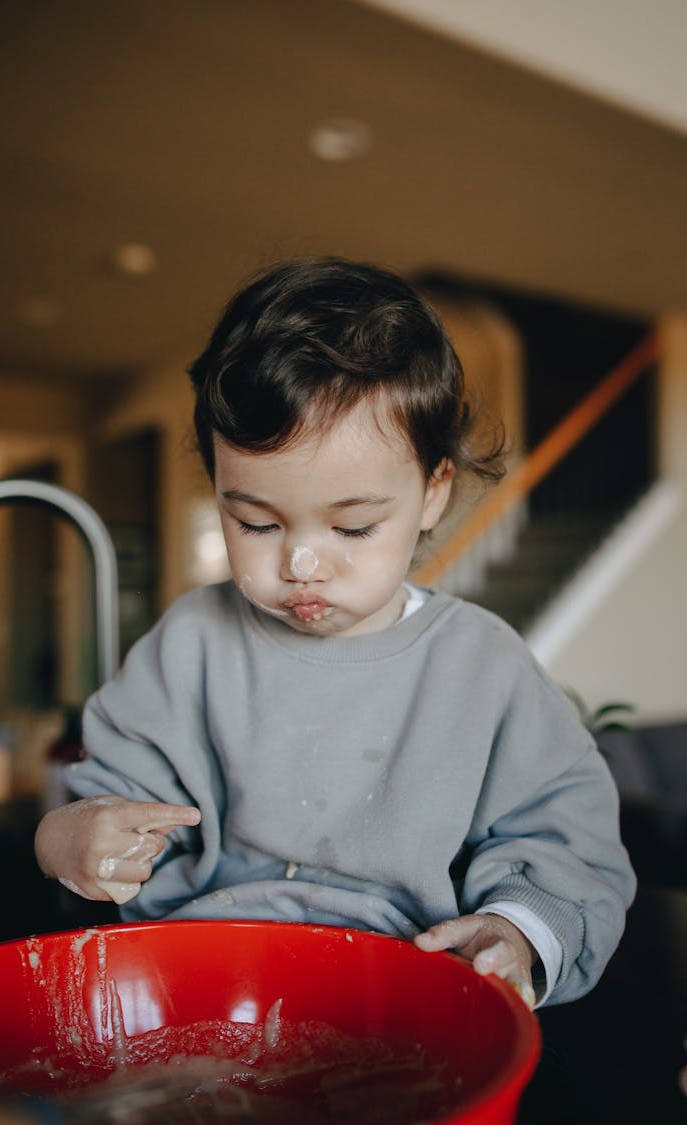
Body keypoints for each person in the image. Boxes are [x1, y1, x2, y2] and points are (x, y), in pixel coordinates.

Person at [35, 257, 635, 1009]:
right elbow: (112, 797)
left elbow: (564, 847)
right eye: (255, 521)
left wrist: (512, 931)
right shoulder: (192, 642)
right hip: (203, 986)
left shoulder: (484, 668)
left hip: (403, 995)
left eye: (353, 525)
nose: (303, 563)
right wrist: (75, 836)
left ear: (432, 493)